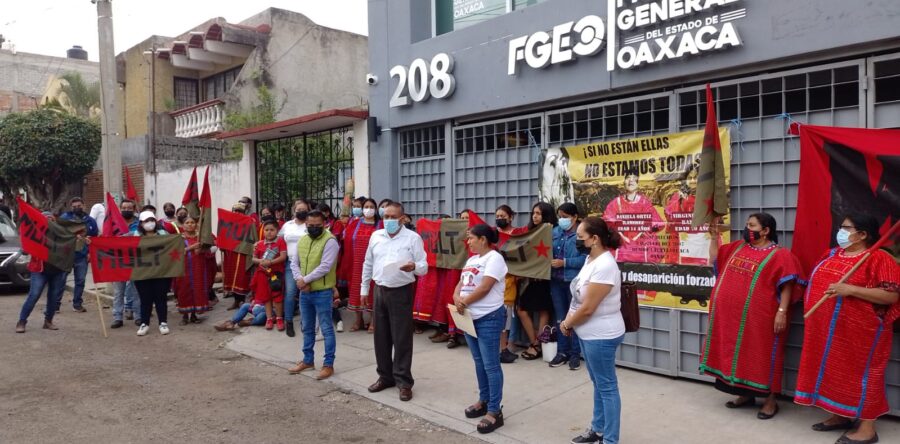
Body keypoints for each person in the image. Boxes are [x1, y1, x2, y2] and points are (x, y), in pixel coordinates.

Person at [795, 214, 899, 444]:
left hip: (862, 334)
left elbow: (891, 296)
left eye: (846, 227)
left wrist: (850, 290)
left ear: (862, 234)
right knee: (833, 371)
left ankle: (868, 429)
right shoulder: (831, 254)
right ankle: (840, 416)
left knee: (865, 375)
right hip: (827, 331)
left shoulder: (879, 258)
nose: (840, 231)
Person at [699, 213, 803, 420]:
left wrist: (782, 312)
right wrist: (714, 237)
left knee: (762, 355)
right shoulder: (737, 247)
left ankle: (770, 401)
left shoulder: (780, 255)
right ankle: (745, 395)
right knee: (738, 354)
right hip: (730, 319)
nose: (747, 228)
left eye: (752, 225)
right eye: (747, 224)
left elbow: (788, 286)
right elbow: (714, 259)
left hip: (761, 320)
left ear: (765, 231)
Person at [561, 217, 625, 444]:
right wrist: (569, 319)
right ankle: (597, 429)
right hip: (587, 333)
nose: (577, 241)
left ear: (595, 239)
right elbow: (579, 295)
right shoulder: (590, 259)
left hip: (601, 335)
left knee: (607, 387)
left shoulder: (605, 265)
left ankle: (610, 439)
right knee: (599, 383)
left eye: (580, 237)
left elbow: (588, 307)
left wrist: (567, 323)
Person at [362, 202, 428, 402]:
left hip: (401, 291)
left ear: (402, 219)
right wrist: (364, 289)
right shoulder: (376, 236)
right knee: (381, 337)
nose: (388, 220)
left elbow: (424, 266)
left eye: (393, 217)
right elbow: (368, 263)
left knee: (401, 338)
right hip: (380, 290)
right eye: (386, 216)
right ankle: (385, 376)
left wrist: (414, 266)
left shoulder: (412, 238)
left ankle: (404, 381)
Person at [453, 224, 508, 434]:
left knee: (491, 365)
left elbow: (485, 287)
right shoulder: (471, 260)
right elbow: (460, 284)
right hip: (469, 317)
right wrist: (457, 298)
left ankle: (494, 410)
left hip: (488, 317)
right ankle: (484, 399)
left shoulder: (494, 258)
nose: (468, 242)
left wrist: (464, 302)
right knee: (479, 362)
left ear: (483, 239)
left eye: (471, 238)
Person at [288, 210, 341, 380]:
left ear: (325, 224)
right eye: (310, 225)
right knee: (307, 327)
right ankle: (307, 360)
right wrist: (300, 280)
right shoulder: (303, 240)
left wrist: (305, 280)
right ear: (306, 224)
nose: (314, 228)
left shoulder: (330, 241)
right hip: (305, 292)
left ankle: (328, 364)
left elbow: (325, 266)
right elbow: (294, 262)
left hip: (323, 292)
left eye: (318, 225)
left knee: (326, 328)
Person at [15, 211, 68, 333]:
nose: (50, 222)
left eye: (52, 220)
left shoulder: (61, 235)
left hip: (57, 270)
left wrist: (79, 240)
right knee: (34, 295)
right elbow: (25, 250)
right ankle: (22, 321)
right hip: (39, 270)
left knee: (53, 297)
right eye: (46, 220)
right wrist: (26, 245)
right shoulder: (35, 234)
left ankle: (48, 321)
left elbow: (69, 247)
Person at [548, 202, 587, 370]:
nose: (561, 220)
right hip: (556, 281)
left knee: (575, 318)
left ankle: (575, 354)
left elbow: (586, 259)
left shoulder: (582, 234)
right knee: (560, 318)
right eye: (560, 217)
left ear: (575, 217)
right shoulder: (554, 232)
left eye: (565, 217)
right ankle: (562, 352)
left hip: (573, 282)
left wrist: (564, 262)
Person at [518, 202, 557, 360]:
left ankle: (537, 345)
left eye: (539, 213)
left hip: (545, 277)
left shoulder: (553, 232)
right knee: (522, 311)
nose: (534, 216)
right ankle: (535, 342)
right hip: (529, 278)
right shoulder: (529, 231)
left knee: (543, 310)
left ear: (546, 215)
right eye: (533, 213)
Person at [602, 169, 665, 263]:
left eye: (634, 178)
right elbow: (607, 221)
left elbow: (657, 223)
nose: (631, 180)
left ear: (638, 183)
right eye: (628, 178)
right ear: (624, 182)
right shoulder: (615, 203)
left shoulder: (645, 203)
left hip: (642, 244)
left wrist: (643, 230)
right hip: (621, 243)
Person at [134, 211, 173, 336]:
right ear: (141, 223)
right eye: (146, 221)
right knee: (145, 299)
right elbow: (118, 244)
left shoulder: (164, 234)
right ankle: (144, 323)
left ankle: (163, 322)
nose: (149, 223)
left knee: (161, 298)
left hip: (161, 272)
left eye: (151, 220)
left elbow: (174, 245)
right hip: (142, 273)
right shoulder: (134, 236)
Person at [59, 197, 99, 313]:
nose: (77, 208)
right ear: (70, 207)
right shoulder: (64, 219)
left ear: (84, 206)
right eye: (74, 206)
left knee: (80, 281)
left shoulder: (91, 221)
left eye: (79, 206)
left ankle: (77, 304)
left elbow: (94, 239)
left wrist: (90, 253)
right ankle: (55, 305)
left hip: (82, 256)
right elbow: (58, 235)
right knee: (60, 280)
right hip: (66, 256)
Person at [495, 205, 524, 363]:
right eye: (497, 216)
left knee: (510, 314)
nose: (499, 218)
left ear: (511, 217)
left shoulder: (517, 234)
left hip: (514, 279)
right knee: (504, 316)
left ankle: (507, 345)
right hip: (498, 281)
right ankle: (503, 348)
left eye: (503, 216)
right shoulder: (493, 234)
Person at [174, 214, 213, 324]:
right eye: (187, 223)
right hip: (184, 269)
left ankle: (194, 315)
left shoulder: (200, 238)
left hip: (198, 268)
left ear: (196, 224)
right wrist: (191, 247)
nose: (190, 225)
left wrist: (202, 250)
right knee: (184, 290)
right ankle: (185, 315)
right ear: (182, 225)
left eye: (192, 222)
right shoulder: (179, 238)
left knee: (197, 289)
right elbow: (175, 253)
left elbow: (210, 250)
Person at [280, 199, 311, 337]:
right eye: (299, 210)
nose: (301, 212)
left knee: (306, 292)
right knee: (290, 292)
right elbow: (277, 240)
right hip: (291, 263)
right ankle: (289, 322)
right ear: (294, 210)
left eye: (304, 210)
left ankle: (306, 322)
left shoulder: (310, 224)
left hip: (308, 263)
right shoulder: (288, 225)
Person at [348, 198, 380, 331]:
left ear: (376, 209)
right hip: (356, 263)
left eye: (371, 207)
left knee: (372, 289)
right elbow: (347, 242)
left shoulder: (380, 225)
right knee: (356, 290)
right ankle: (358, 320)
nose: (368, 209)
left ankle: (373, 321)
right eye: (366, 207)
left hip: (375, 262)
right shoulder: (354, 223)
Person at [251, 220, 288, 331]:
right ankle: (269, 319)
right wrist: (262, 261)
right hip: (262, 274)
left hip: (276, 274)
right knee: (266, 297)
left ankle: (279, 318)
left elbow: (283, 257)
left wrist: (270, 262)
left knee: (277, 296)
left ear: (277, 231)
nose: (269, 232)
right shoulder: (259, 244)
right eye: (266, 230)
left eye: (272, 230)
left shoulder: (280, 241)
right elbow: (253, 259)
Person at [111, 199, 141, 328]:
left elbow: (143, 236)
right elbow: (105, 237)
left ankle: (138, 316)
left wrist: (129, 235)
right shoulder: (113, 223)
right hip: (118, 262)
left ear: (134, 209)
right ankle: (117, 317)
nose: (126, 210)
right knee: (118, 292)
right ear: (120, 209)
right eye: (124, 208)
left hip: (135, 261)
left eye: (129, 208)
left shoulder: (140, 224)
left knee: (136, 291)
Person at [319, 202, 346, 332]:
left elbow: (336, 239)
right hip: (317, 262)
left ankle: (338, 320)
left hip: (332, 260)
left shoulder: (336, 223)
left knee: (330, 291)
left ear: (327, 212)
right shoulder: (316, 227)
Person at [223, 202, 254, 310]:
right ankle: (236, 301)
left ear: (244, 212)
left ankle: (242, 301)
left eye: (239, 211)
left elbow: (252, 239)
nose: (237, 213)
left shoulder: (249, 222)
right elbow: (224, 236)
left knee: (241, 278)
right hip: (231, 254)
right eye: (235, 211)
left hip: (243, 254)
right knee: (232, 278)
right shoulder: (228, 223)